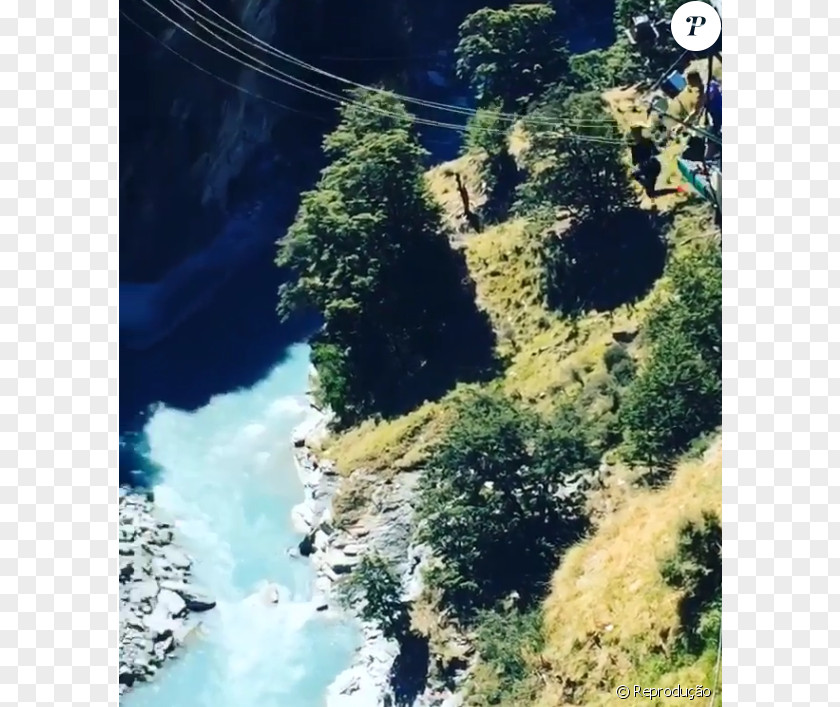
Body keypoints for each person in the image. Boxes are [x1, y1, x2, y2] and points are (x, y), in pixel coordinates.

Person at [629, 125, 661, 198]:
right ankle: (647, 186)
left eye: (635, 134)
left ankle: (679, 190)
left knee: (650, 191)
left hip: (651, 168)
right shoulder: (636, 146)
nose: (634, 136)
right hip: (648, 168)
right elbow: (635, 162)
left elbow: (656, 152)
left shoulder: (637, 146)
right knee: (650, 192)